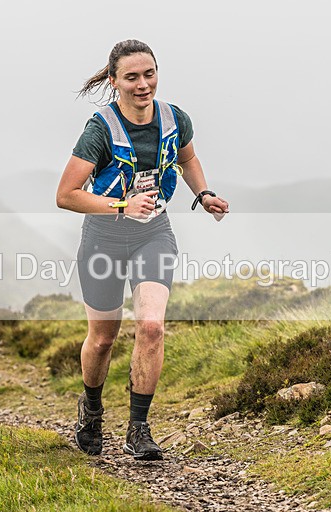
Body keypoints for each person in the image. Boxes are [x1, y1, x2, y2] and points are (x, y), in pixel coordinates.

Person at [56, 39, 229, 460]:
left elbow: (187, 159)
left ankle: (139, 430)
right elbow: (66, 194)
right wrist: (121, 204)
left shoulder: (175, 118)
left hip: (154, 232)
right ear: (114, 81)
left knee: (151, 327)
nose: (142, 84)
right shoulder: (100, 129)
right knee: (102, 338)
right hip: (104, 237)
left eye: (148, 74)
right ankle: (92, 411)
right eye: (131, 77)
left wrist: (203, 193)